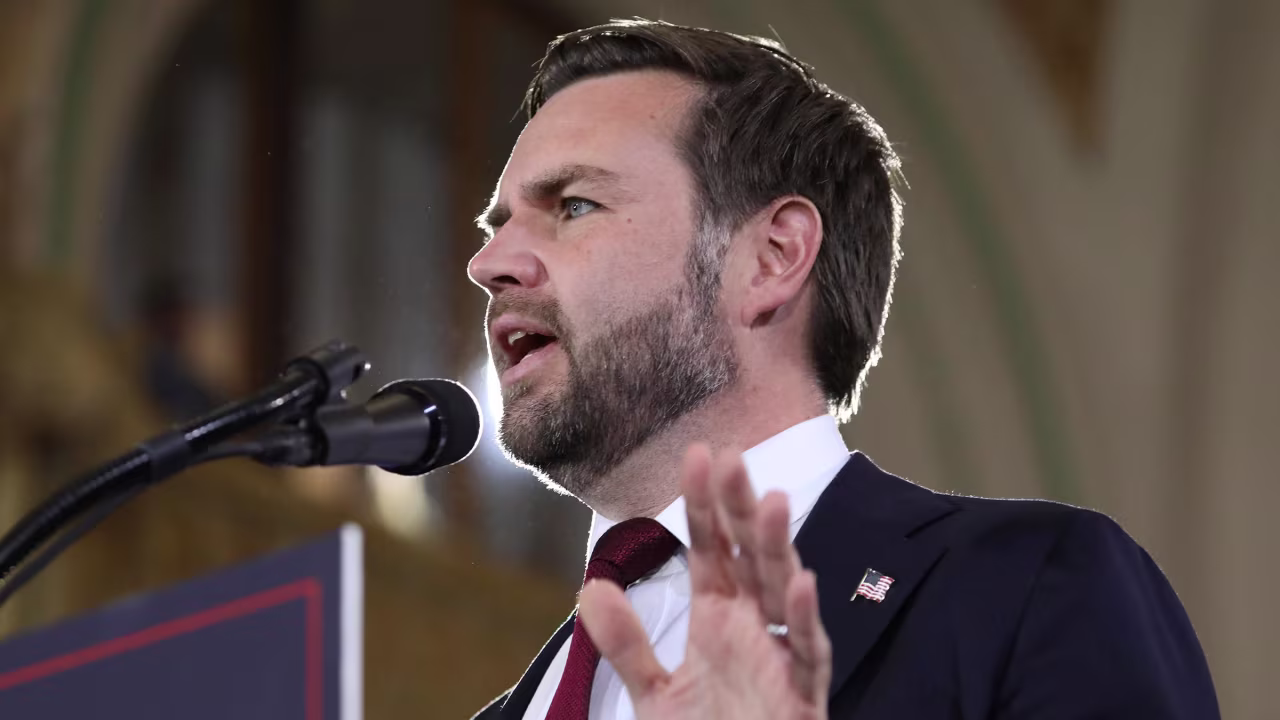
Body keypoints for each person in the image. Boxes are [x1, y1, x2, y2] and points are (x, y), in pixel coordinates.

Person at [466, 18, 1218, 720]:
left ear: (773, 257)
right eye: (496, 226)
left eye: (573, 205)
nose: (488, 263)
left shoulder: (1027, 589)